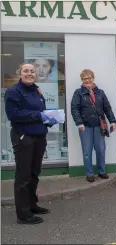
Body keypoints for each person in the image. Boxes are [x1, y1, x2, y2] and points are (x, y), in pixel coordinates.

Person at [4, 63, 58, 224]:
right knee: (23, 176)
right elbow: (13, 114)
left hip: (39, 136)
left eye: (32, 71)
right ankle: (23, 214)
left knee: (34, 173)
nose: (29, 73)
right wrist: (39, 116)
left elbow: (42, 113)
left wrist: (49, 120)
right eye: (26, 71)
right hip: (24, 137)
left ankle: (32, 205)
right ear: (20, 73)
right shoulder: (13, 91)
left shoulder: (37, 90)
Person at [71, 69, 116, 182]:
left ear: (93, 78)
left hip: (99, 126)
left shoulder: (100, 92)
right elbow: (74, 109)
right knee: (87, 151)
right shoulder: (78, 93)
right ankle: (89, 173)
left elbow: (107, 108)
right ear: (82, 80)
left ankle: (101, 171)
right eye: (84, 78)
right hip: (85, 126)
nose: (87, 80)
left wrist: (112, 121)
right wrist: (79, 123)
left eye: (89, 77)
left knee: (101, 149)